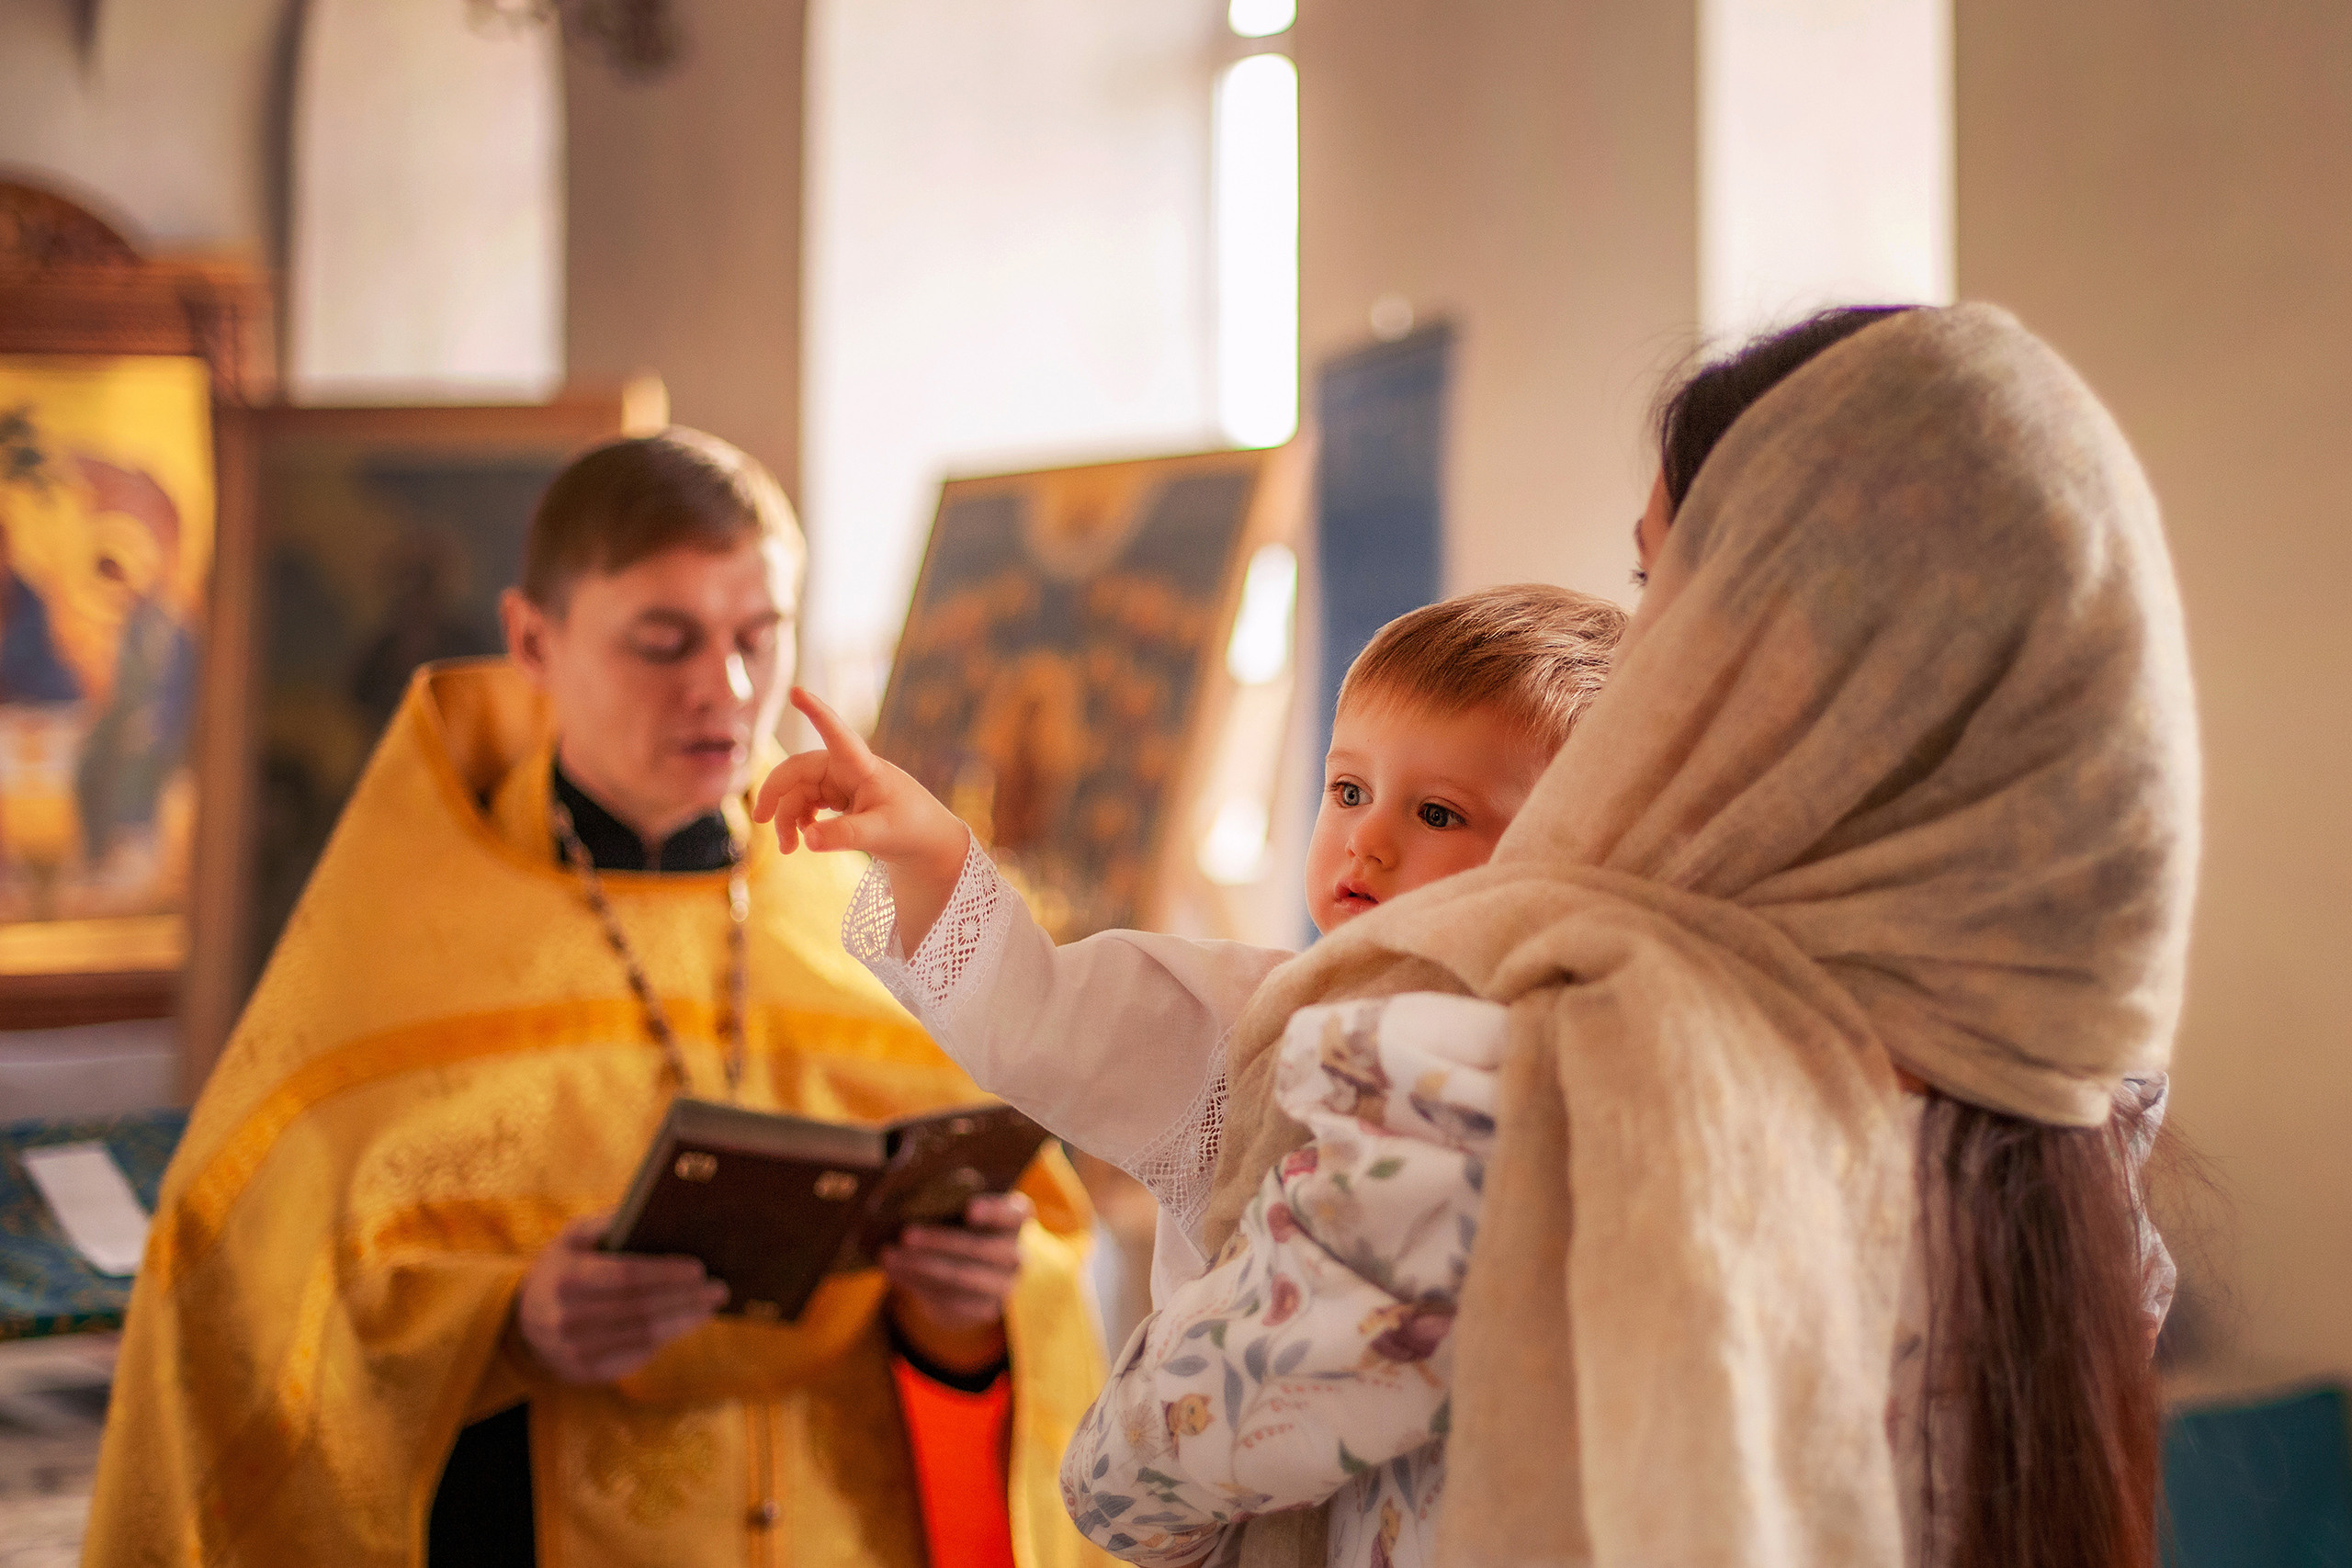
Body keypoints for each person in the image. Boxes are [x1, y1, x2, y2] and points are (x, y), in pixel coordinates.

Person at [1174, 301, 2194, 1568]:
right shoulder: (2080, 1102)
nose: (1638, 657)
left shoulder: (1517, 1058)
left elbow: (1172, 1455)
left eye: (1664, 587)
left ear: (1794, 650)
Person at [83, 429, 1114, 1568]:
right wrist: (507, 1326)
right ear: (534, 639)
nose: (723, 690)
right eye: (664, 642)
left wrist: (964, 1309)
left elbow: (1026, 1299)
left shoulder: (853, 920)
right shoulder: (407, 940)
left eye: (758, 639)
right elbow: (242, 1294)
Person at [754, 582, 1624, 1304]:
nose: (1367, 840)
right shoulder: (1249, 1017)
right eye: (1349, 789)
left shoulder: (1585, 1055)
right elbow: (1040, 1011)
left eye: (1436, 812)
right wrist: (931, 851)